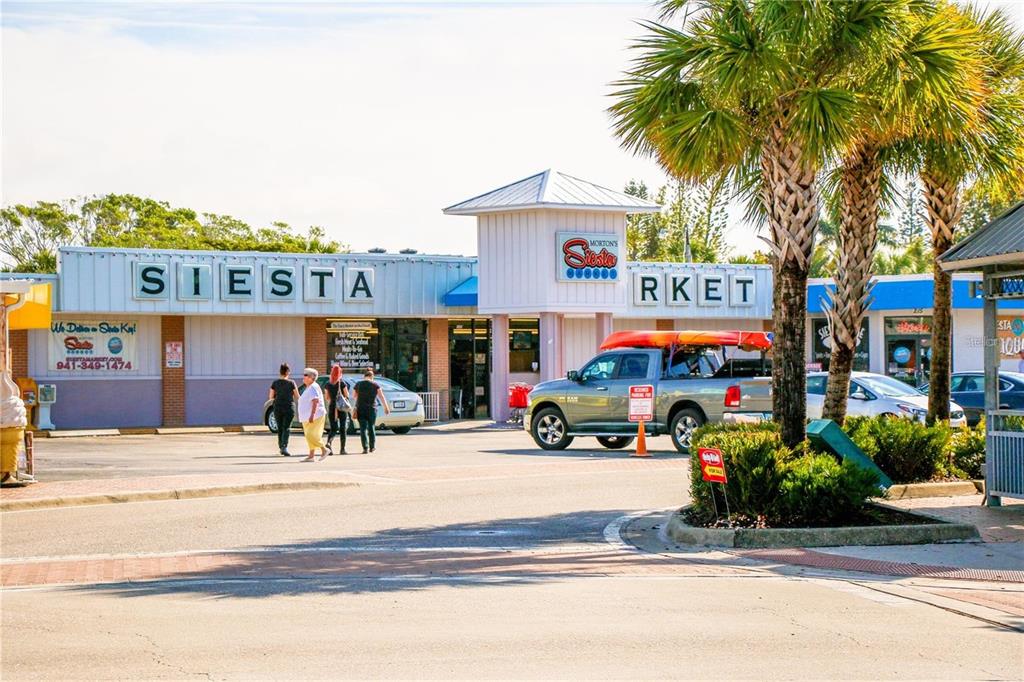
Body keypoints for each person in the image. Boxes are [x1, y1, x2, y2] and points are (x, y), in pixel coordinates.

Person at [353, 368, 390, 453]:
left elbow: (354, 396)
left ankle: (365, 448)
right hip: (372, 408)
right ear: (372, 376)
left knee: (363, 428)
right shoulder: (375, 385)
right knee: (371, 427)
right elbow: (381, 396)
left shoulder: (358, 384)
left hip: (361, 408)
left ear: (364, 376)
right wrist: (386, 407)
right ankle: (372, 447)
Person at [297, 367, 328, 462]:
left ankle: (324, 449)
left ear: (312, 377)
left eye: (306, 375)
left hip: (315, 415)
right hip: (306, 416)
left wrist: (312, 415)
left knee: (311, 435)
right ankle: (311, 456)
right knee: (308, 435)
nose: (304, 377)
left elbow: (315, 401)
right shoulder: (309, 387)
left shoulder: (313, 386)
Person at [268, 363, 299, 456]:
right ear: (288, 372)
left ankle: (281, 446)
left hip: (277, 407)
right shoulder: (292, 383)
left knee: (280, 427)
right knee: (286, 427)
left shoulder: (275, 383)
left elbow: (270, 397)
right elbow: (297, 396)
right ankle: (284, 446)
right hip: (289, 407)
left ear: (280, 372)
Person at [324, 365, 351, 455]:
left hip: (332, 407)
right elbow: (347, 395)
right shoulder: (342, 383)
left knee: (333, 428)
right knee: (343, 428)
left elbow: (327, 397)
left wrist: (333, 401)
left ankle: (329, 444)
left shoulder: (327, 384)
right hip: (342, 407)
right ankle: (342, 449)